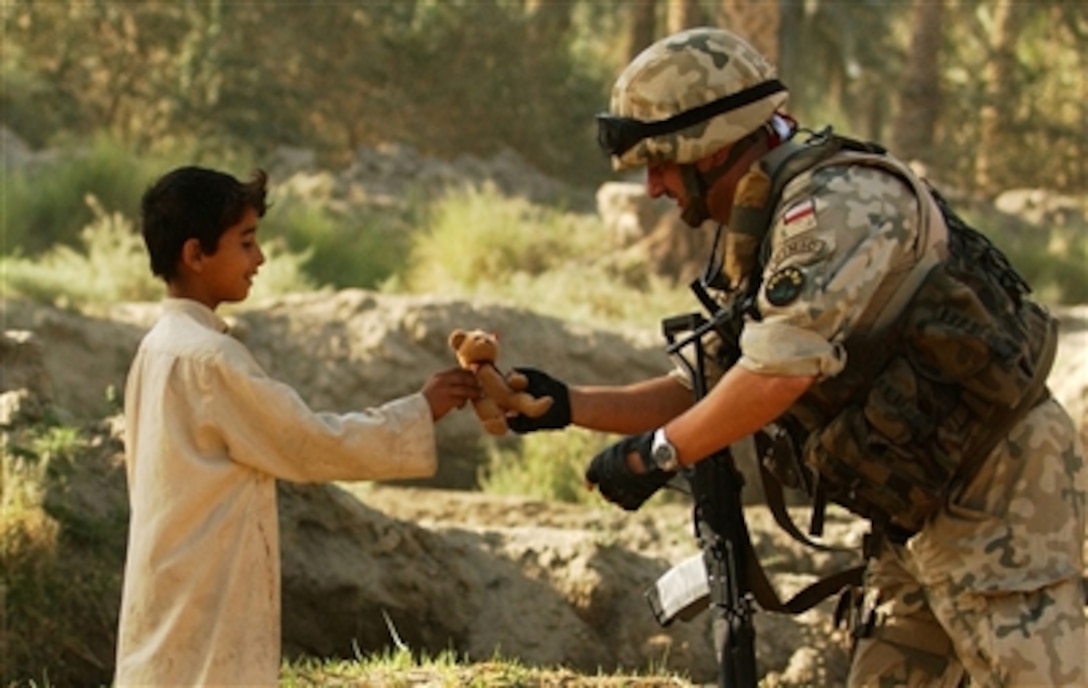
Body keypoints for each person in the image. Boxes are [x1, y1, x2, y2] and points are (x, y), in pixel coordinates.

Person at [507, 27, 1086, 687]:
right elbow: (710, 383)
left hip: (998, 491)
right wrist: (569, 406)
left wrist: (656, 454)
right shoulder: (764, 218)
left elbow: (774, 376)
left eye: (662, 163)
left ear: (712, 146)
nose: (654, 188)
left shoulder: (837, 207)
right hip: (919, 503)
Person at [113, 166, 481, 687]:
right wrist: (420, 410)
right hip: (205, 590)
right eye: (245, 243)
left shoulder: (157, 347)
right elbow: (308, 443)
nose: (259, 259)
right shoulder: (210, 359)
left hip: (173, 582)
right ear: (195, 255)